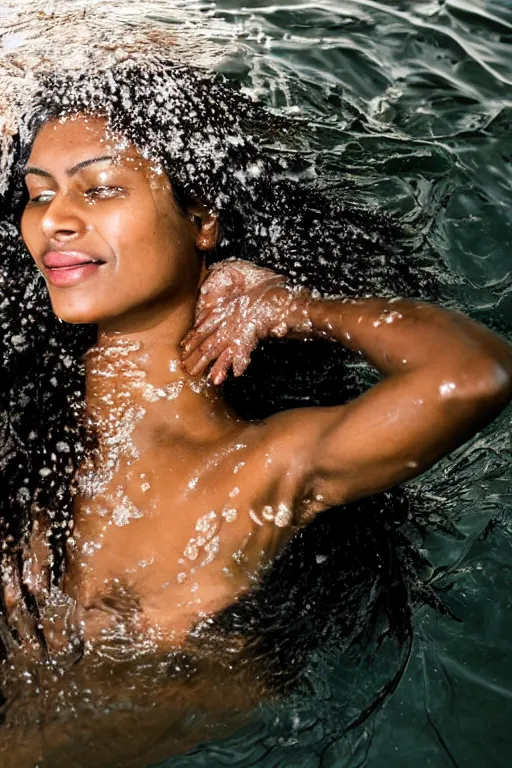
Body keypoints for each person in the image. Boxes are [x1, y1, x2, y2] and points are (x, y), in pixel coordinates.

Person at [1, 25, 511, 768]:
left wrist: (298, 308)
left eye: (101, 187)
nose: (55, 219)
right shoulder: (25, 428)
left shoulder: (249, 474)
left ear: (204, 219)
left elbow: (473, 373)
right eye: (36, 196)